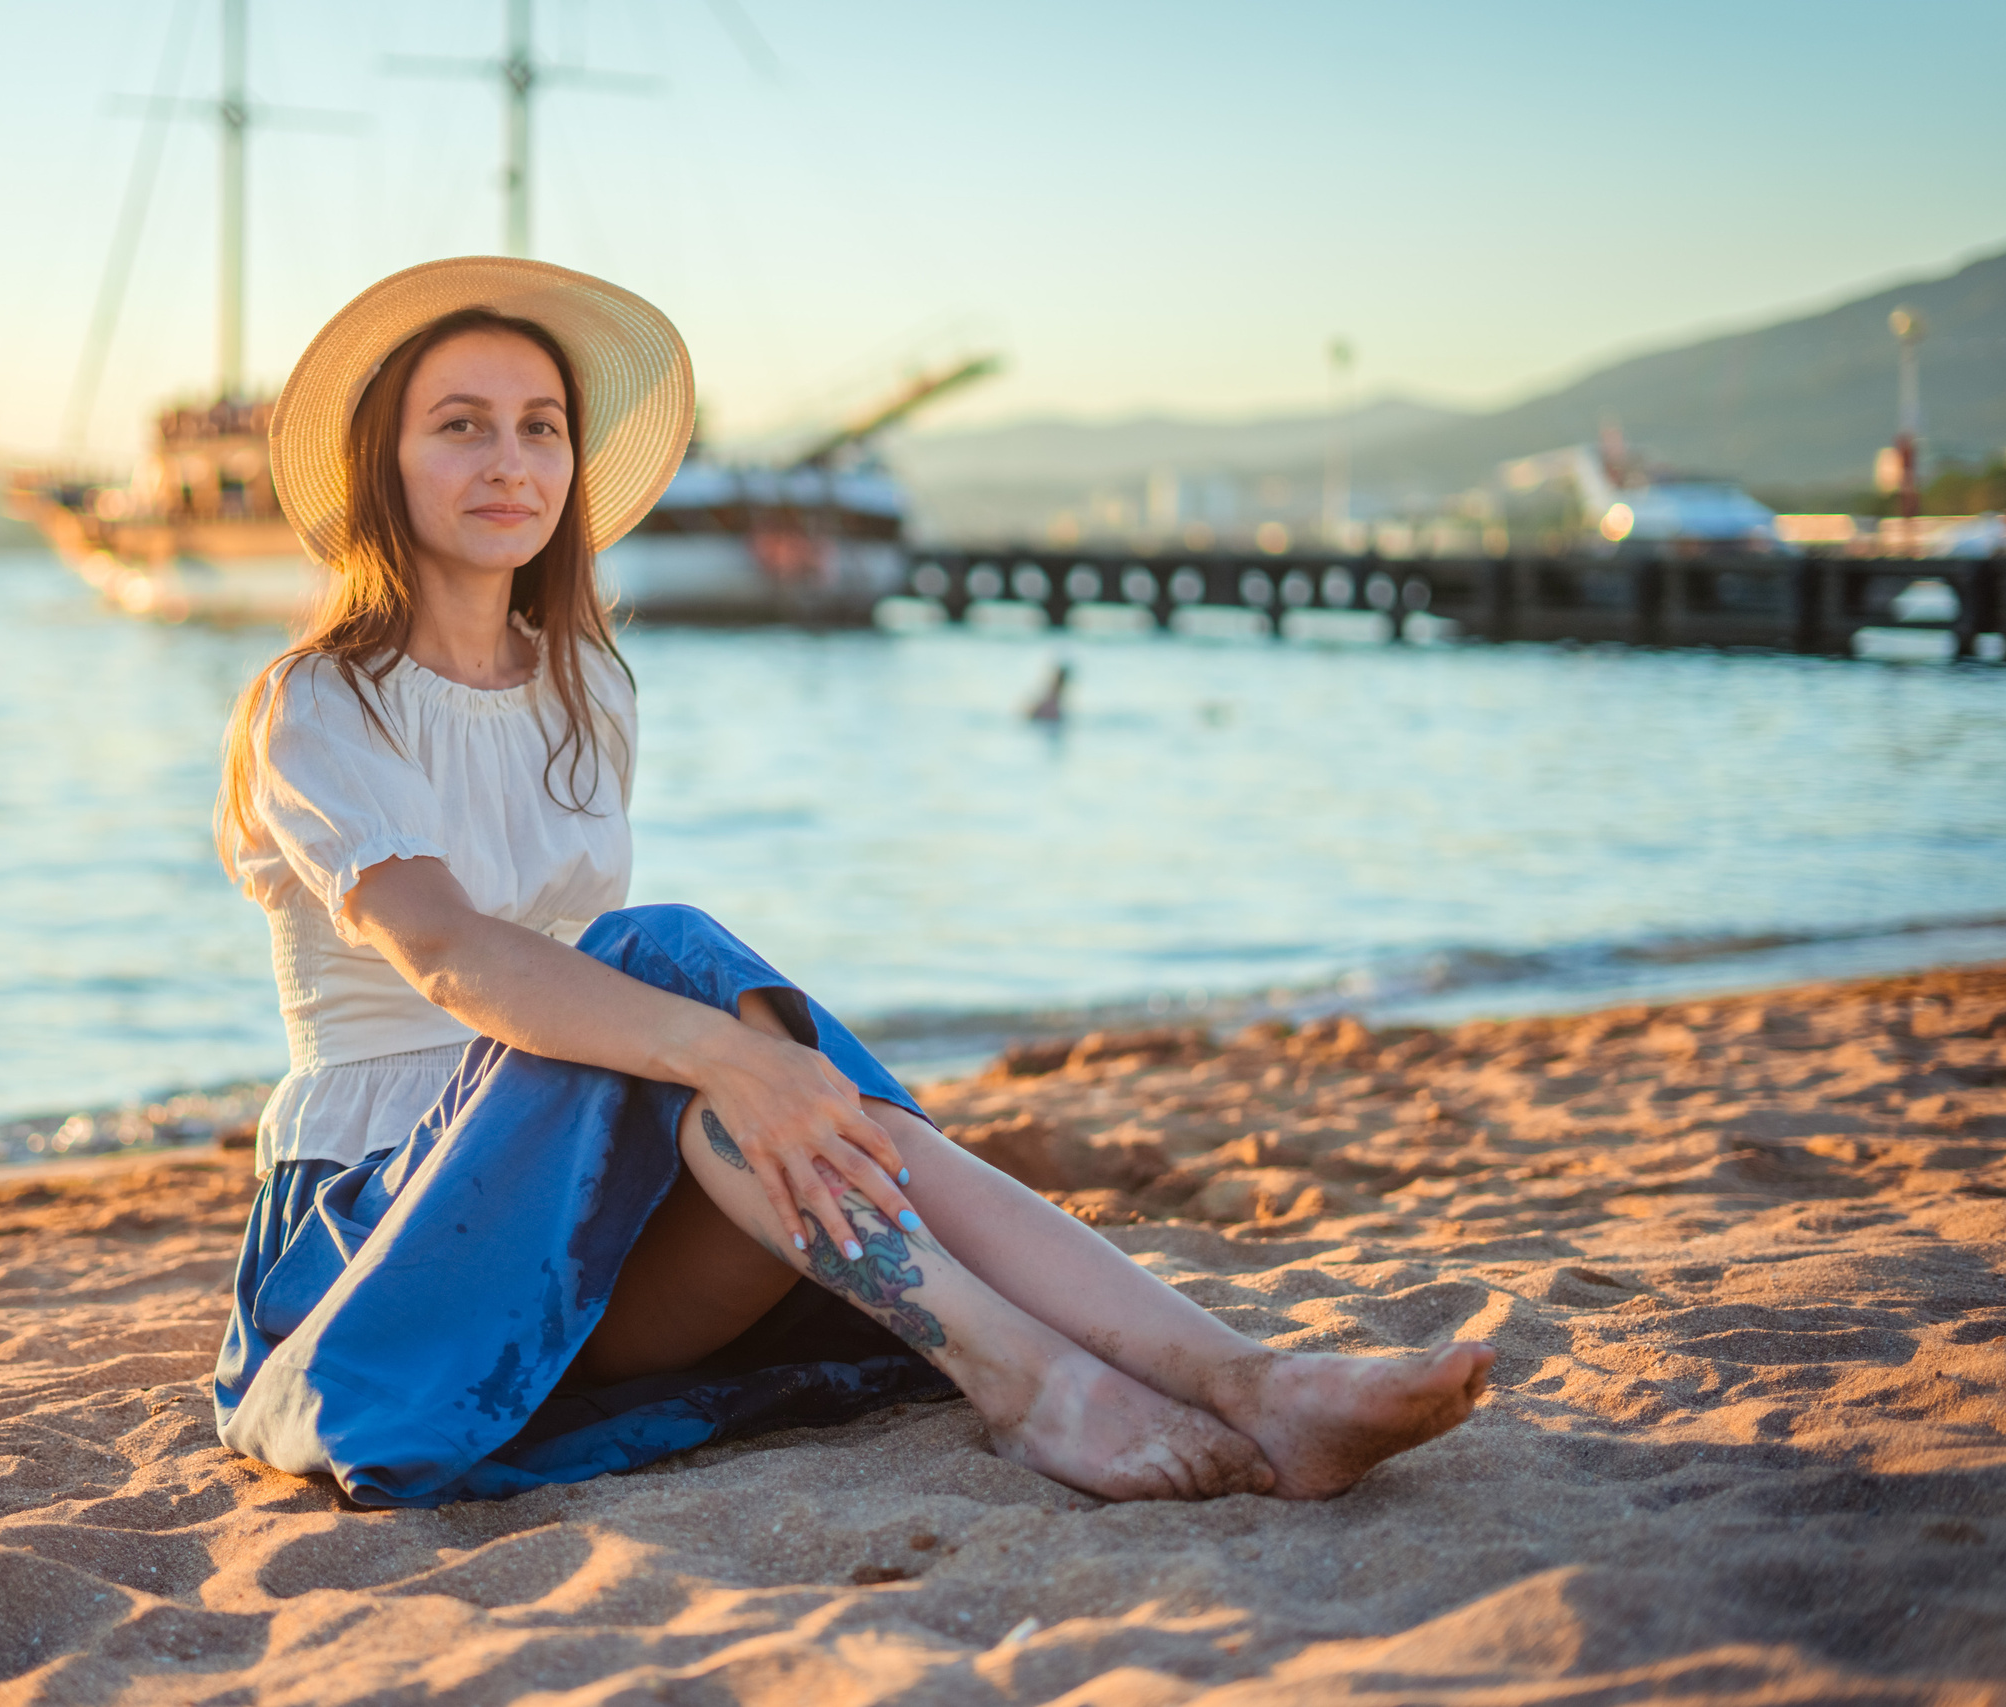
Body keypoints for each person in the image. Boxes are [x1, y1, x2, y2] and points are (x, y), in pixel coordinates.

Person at [210, 257, 1493, 1510]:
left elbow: (632, 1037)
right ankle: (1037, 1382)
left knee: (768, 1097)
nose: (510, 461)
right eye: (461, 427)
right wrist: (728, 1051)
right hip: (384, 1251)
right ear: (385, 462)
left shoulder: (587, 685)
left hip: (577, 1245)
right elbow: (448, 953)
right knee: (680, 969)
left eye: (541, 427)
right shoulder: (316, 703)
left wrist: (735, 1069)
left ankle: (1251, 1381)